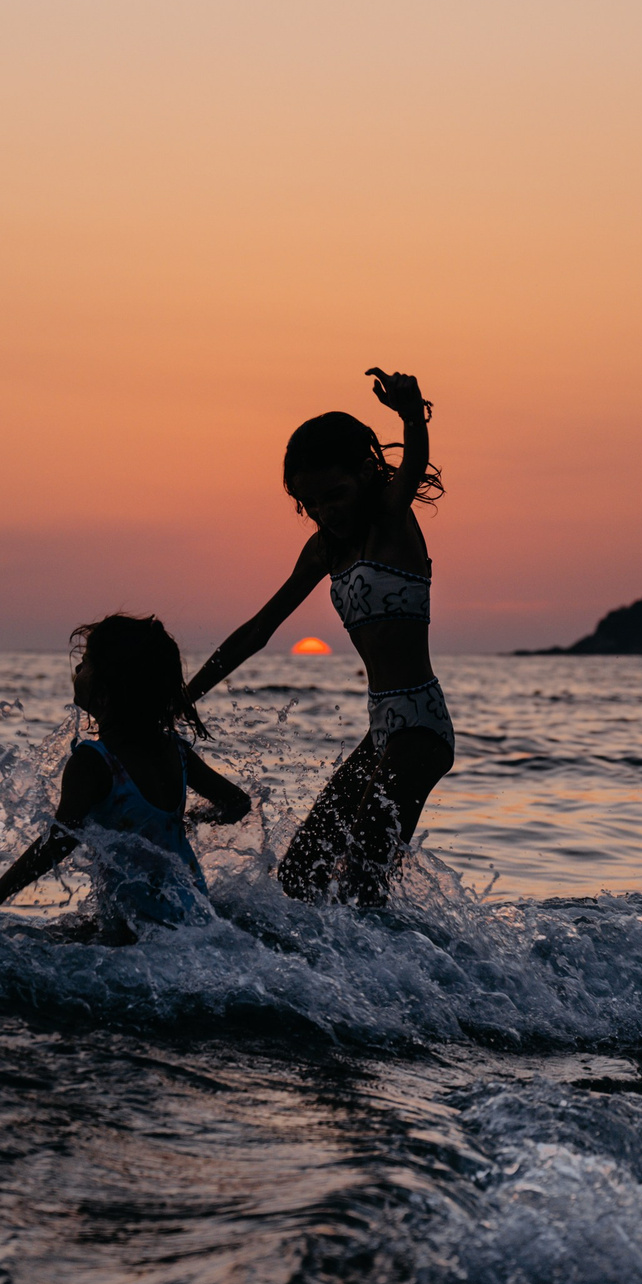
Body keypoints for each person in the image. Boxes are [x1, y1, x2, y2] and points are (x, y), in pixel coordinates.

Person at [183, 368, 450, 905]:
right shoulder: (325, 548)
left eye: (337, 494)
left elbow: (415, 462)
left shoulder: (389, 522)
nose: (327, 512)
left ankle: (400, 984)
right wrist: (185, 697)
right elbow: (259, 630)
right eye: (312, 504)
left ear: (367, 474)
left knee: (360, 889)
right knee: (299, 878)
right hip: (380, 732)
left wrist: (409, 412)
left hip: (420, 728)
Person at [0, 615, 252, 937]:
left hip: (137, 931)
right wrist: (190, 822)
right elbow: (237, 803)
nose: (79, 670)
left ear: (108, 689)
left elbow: (60, 839)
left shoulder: (93, 762)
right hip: (194, 919)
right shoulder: (175, 752)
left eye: (87, 663)